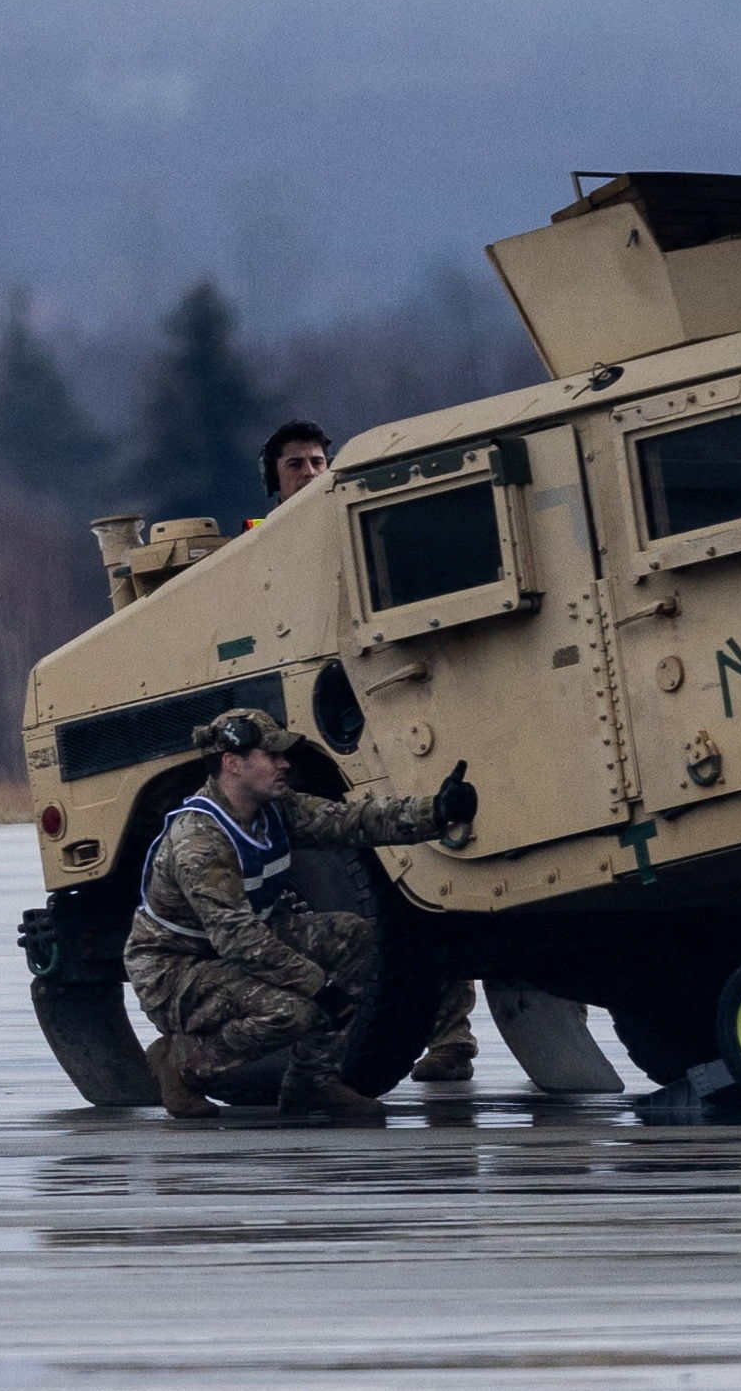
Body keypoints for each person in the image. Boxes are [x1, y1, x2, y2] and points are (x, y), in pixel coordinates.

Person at [127, 709, 475, 1127]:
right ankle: (184, 1063)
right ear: (233, 764)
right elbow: (238, 941)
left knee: (351, 937)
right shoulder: (200, 842)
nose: (284, 763)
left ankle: (312, 1081)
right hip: (175, 969)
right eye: (270, 756)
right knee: (292, 1011)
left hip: (234, 947)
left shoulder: (274, 810)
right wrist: (319, 985)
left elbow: (349, 821)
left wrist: (434, 813)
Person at [262, 417, 480, 1085]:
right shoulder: (266, 556)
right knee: (392, 904)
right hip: (330, 748)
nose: (311, 472)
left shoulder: (356, 532)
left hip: (397, 726)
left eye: (320, 460)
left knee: (438, 877)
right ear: (273, 482)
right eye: (296, 464)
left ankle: (452, 1036)